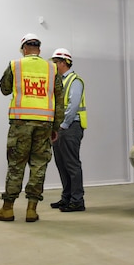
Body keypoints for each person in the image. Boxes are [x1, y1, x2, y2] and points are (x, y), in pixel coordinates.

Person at [0, 33, 64, 223]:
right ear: (39, 49)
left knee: (16, 165)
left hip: (21, 123)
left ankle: (7, 209)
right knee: (39, 165)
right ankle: (32, 209)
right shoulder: (52, 68)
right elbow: (59, 99)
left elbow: (4, 89)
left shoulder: (16, 65)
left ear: (24, 49)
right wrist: (56, 126)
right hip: (45, 123)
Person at [49, 48, 87, 212]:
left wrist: (63, 125)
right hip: (60, 127)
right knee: (61, 164)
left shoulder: (74, 80)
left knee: (71, 164)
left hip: (70, 127)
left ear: (63, 63)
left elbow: (73, 105)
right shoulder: (59, 81)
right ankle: (67, 198)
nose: (53, 65)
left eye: (55, 62)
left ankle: (77, 200)